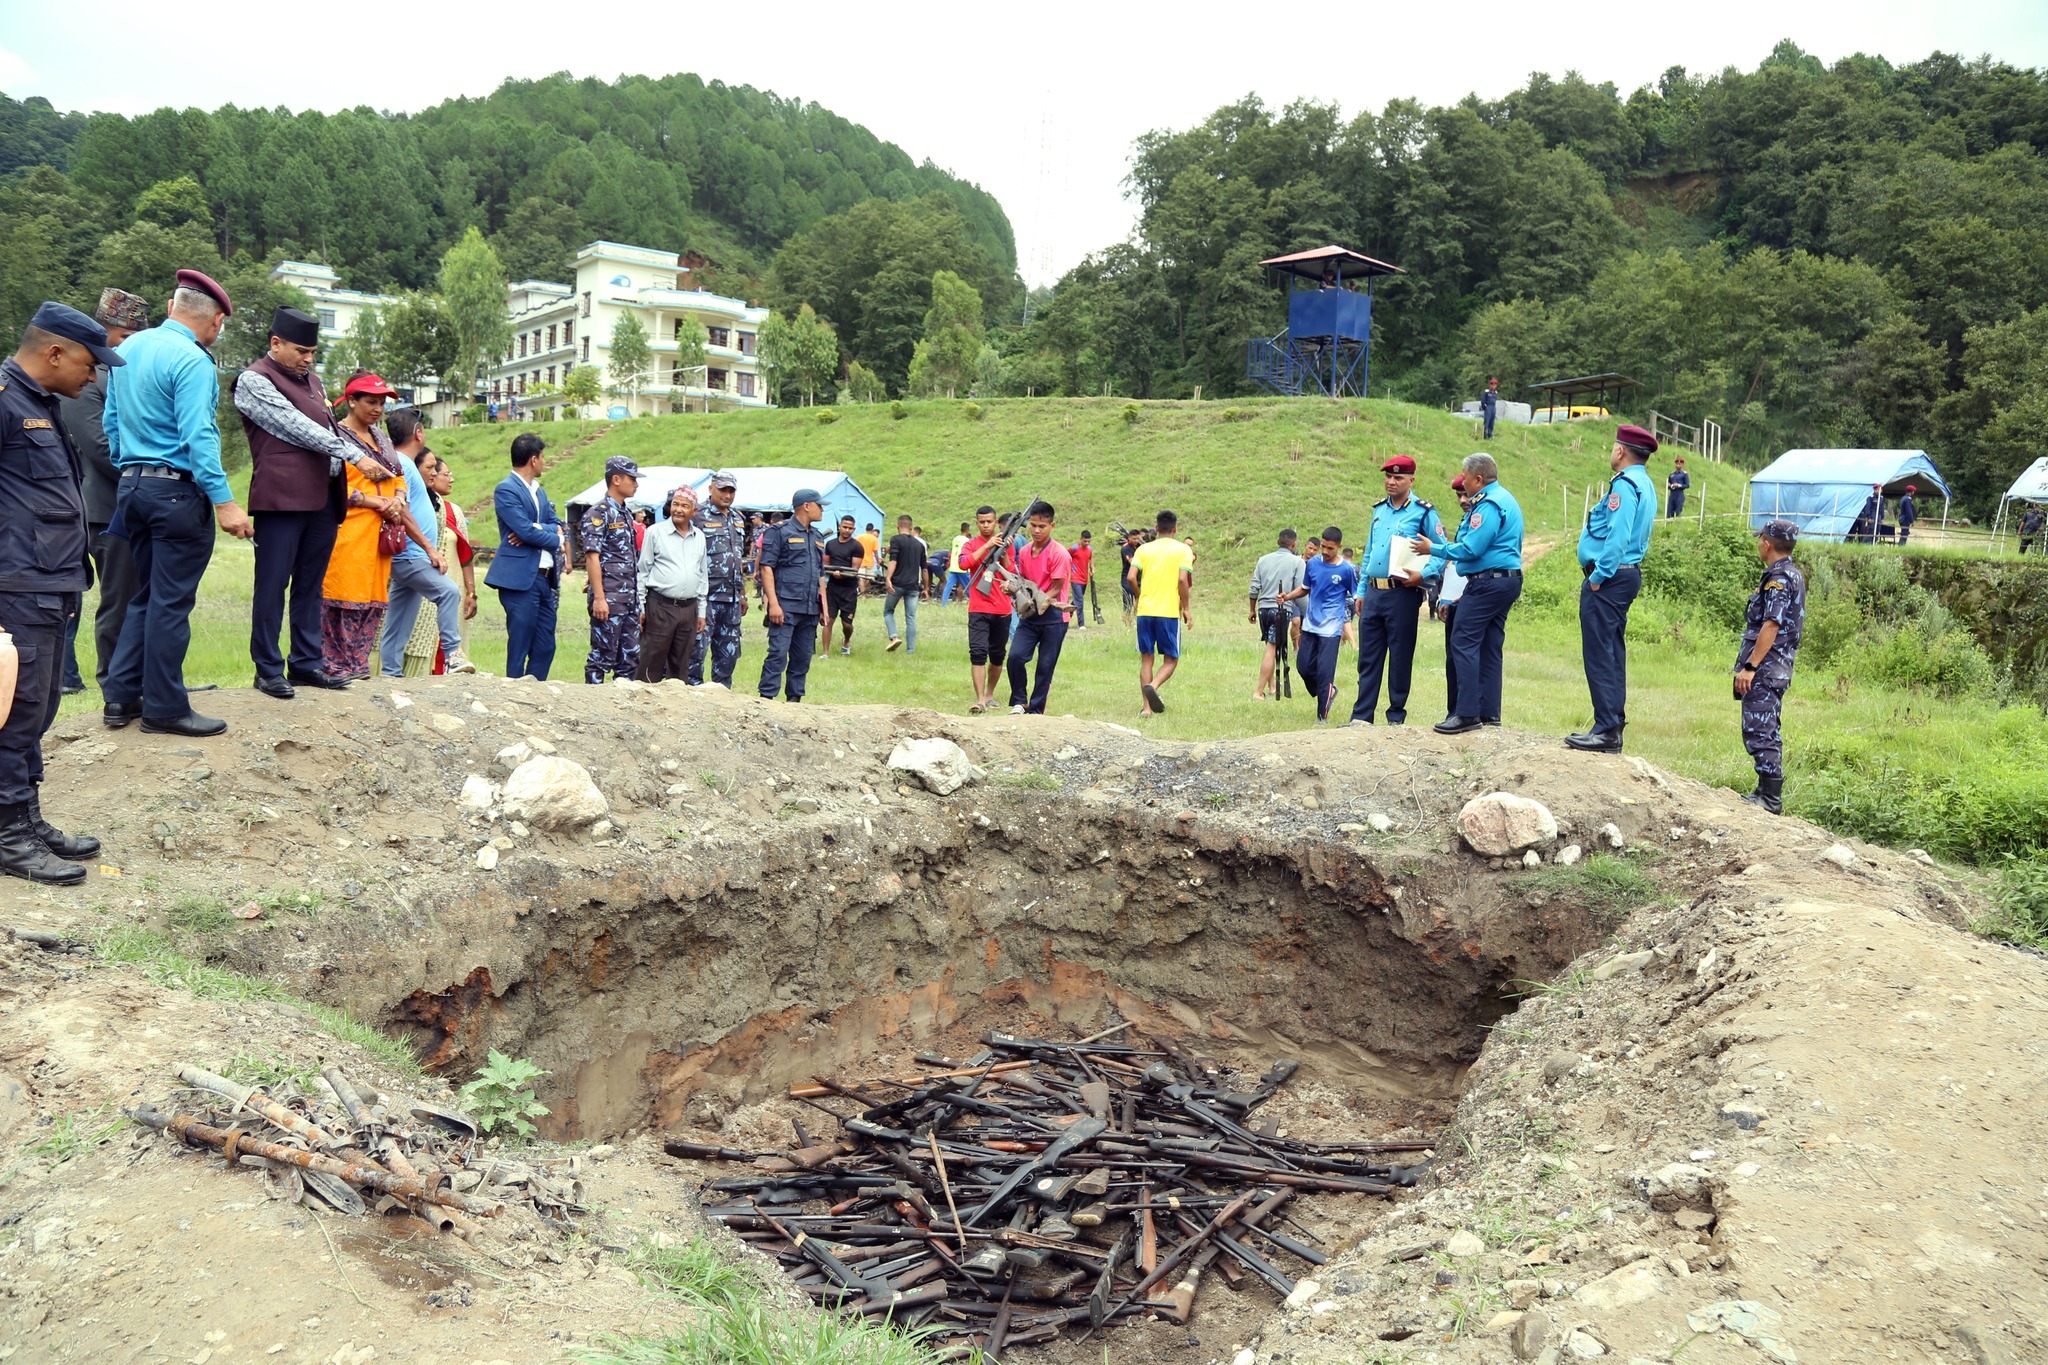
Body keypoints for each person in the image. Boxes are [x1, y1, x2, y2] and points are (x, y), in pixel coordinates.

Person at [101, 269, 255, 736]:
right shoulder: (193, 360)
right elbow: (199, 436)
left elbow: (111, 423)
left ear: (171, 308)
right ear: (216, 324)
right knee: (170, 602)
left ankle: (121, 697)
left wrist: (130, 467)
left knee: (146, 596)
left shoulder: (126, 349)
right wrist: (225, 502)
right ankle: (165, 708)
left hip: (132, 487)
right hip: (175, 492)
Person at [0, 302, 122, 882]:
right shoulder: (3, 400)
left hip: (52, 581)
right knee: (13, 712)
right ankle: (6, 836)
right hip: (16, 587)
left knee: (39, 708)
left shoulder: (41, 405)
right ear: (54, 352)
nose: (93, 375)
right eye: (89, 363)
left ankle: (25, 818)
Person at [235, 305, 370, 697]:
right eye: (300, 351)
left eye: (313, 352)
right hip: (282, 499)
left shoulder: (314, 381)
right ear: (275, 343)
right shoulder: (254, 380)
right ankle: (267, 668)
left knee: (311, 586)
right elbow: (296, 428)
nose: (308, 359)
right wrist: (354, 453)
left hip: (323, 497)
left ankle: (307, 664)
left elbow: (329, 426)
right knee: (272, 584)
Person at [58, 287, 148, 699]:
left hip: (137, 503)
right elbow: (99, 446)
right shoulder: (89, 380)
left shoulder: (125, 375)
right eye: (124, 337)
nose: (128, 347)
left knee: (141, 598)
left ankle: (145, 680)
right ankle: (115, 684)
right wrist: (149, 474)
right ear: (105, 330)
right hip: (105, 509)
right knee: (118, 600)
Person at [1413, 452, 1524, 734]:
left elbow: (1471, 548)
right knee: (1489, 645)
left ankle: (1466, 713)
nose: (1461, 481)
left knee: (1462, 640)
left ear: (1477, 479)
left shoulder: (1488, 505)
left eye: (1464, 476)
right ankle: (1488, 713)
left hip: (1490, 583)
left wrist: (1433, 548)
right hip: (1502, 581)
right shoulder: (1505, 498)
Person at [1566, 424, 1660, 753]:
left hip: (1610, 577)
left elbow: (1618, 536)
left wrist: (1598, 575)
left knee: (1599, 653)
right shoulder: (1645, 484)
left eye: (1613, 447)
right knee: (1612, 651)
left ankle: (1605, 728)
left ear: (1620, 451)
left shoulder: (1624, 485)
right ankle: (1613, 723)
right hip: (1625, 575)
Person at [321, 376, 422, 680]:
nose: (378, 408)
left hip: (380, 538)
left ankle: (358, 666)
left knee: (372, 601)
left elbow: (398, 476)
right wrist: (377, 502)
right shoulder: (334, 434)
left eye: (382, 402)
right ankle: (333, 667)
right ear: (351, 401)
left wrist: (399, 500)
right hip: (347, 533)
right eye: (371, 401)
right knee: (341, 599)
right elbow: (331, 486)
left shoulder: (381, 437)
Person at [1350, 455, 1443, 726]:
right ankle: (1361, 716)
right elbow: (1369, 552)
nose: (1391, 482)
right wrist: (1361, 590)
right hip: (1374, 592)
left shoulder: (1424, 512)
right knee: (1368, 657)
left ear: (1411, 480)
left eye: (1398, 477)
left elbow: (1440, 550)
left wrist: (1424, 574)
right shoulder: (1379, 510)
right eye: (1388, 477)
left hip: (1402, 592)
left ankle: (1395, 716)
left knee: (1400, 656)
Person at [378, 405, 465, 679]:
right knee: (448, 592)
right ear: (419, 433)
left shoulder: (402, 464)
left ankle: (391, 672)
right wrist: (429, 548)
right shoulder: (403, 464)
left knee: (399, 619)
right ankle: (452, 654)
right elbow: (401, 510)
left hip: (409, 555)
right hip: (411, 554)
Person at [1735, 520, 1807, 815]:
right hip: (1777, 667)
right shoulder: (1793, 575)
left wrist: (1751, 667)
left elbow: (1771, 624)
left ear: (1767, 543)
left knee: (1759, 729)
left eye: (1760, 539)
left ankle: (1770, 798)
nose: (1758, 544)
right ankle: (1765, 791)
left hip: (1765, 668)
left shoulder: (1778, 580)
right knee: (1766, 728)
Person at [484, 432, 565, 680]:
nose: (544, 462)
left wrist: (539, 529)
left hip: (544, 577)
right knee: (520, 641)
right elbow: (525, 530)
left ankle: (534, 690)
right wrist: (556, 538)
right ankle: (513, 689)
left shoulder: (539, 491)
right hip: (519, 579)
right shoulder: (506, 489)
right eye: (542, 457)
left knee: (546, 644)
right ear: (533, 459)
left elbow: (555, 524)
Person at [400, 450, 476, 676]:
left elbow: (465, 553)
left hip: (440, 578)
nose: (448, 478)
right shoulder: (410, 500)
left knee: (449, 597)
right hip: (416, 569)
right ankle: (392, 672)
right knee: (406, 631)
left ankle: (450, 659)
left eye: (439, 471)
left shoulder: (450, 510)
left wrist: (471, 593)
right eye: (443, 473)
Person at [757, 488, 828, 702]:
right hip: (786, 605)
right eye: (819, 505)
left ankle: (794, 702)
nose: (822, 509)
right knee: (778, 654)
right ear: (806, 506)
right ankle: (766, 699)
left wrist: (824, 608)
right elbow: (766, 567)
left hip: (809, 609)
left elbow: (820, 575)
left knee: (802, 658)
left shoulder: (817, 536)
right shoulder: (779, 532)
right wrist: (773, 605)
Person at [1282, 527, 1357, 724]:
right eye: (1323, 546)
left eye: (1329, 548)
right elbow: (1305, 588)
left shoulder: (1346, 570)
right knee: (1303, 667)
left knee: (1325, 672)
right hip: (1310, 625)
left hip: (1331, 630)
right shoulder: (1313, 563)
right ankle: (1328, 691)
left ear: (1338, 547)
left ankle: (1321, 717)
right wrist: (1288, 596)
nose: (1324, 551)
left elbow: (1356, 597)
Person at [577, 456, 642, 684]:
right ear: (616, 479)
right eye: (632, 479)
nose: (636, 484)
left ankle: (621, 708)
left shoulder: (625, 513)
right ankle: (595, 705)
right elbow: (592, 557)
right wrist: (600, 598)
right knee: (602, 656)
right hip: (610, 597)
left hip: (628, 598)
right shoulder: (598, 514)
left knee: (630, 657)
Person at [636, 485, 708, 683]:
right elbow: (643, 571)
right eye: (675, 504)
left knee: (681, 664)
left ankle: (675, 710)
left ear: (694, 511)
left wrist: (701, 611)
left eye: (685, 506)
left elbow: (702, 575)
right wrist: (641, 606)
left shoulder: (699, 537)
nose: (678, 509)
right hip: (660, 606)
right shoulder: (655, 532)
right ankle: (645, 705)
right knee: (651, 661)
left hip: (689, 609)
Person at [1005, 501, 1071, 714]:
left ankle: (1035, 710)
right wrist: (1015, 592)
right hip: (1030, 615)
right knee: (1015, 656)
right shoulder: (1024, 552)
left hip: (1053, 617)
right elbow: (1023, 581)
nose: (1036, 530)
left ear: (1052, 525)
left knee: (1045, 666)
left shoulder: (1059, 553)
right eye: (1033, 525)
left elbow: (1056, 587)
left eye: (1042, 526)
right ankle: (1019, 701)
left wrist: (1037, 602)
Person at [1128, 509, 1194, 716]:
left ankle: (1146, 709)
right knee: (1171, 659)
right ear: (1175, 529)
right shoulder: (1183, 550)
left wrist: (1139, 596)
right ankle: (1154, 686)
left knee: (1147, 658)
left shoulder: (1144, 550)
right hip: (1168, 612)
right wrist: (1186, 608)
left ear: (1156, 528)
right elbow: (1183, 580)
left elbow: (1131, 577)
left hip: (1146, 610)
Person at [689, 470, 749, 686]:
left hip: (731, 598)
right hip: (706, 597)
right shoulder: (697, 516)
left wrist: (742, 594)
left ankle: (722, 696)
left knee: (728, 654)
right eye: (723, 489)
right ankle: (692, 695)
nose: (727, 495)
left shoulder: (738, 518)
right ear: (711, 488)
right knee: (696, 651)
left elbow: (737, 558)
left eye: (731, 490)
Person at [1426, 475, 1478, 720]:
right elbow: (1455, 565)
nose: (1463, 500)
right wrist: (1446, 598)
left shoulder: (1482, 519)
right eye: (1458, 495)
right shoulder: (1466, 520)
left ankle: (1465, 712)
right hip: (1458, 596)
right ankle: (1453, 711)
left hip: (1475, 595)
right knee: (1452, 656)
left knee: (1465, 653)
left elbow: (1469, 556)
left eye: (1465, 494)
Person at [958, 505, 1014, 714]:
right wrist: (988, 545)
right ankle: (980, 699)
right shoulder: (971, 544)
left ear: (996, 521)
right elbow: (964, 564)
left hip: (1002, 608)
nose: (986, 525)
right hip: (978, 608)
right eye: (982, 522)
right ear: (977, 523)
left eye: (989, 521)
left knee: (998, 655)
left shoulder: (1006, 544)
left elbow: (1011, 572)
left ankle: (990, 694)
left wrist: (1004, 551)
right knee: (978, 653)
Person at [1249, 529, 1303, 701]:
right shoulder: (1297, 561)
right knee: (1272, 650)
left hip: (1263, 608)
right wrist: (1306, 613)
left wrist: (1252, 609)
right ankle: (1258, 691)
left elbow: (1254, 587)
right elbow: (1300, 590)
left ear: (1277, 541)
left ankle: (1272, 687)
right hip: (1281, 609)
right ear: (1293, 545)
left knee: (1269, 647)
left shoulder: (1263, 560)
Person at [883, 513, 927, 653]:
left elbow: (893, 560)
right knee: (911, 618)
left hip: (897, 584)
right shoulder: (919, 545)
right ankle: (910, 650)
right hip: (913, 586)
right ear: (911, 527)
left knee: (888, 611)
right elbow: (924, 569)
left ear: (897, 526)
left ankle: (894, 637)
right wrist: (926, 588)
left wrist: (888, 578)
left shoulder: (895, 540)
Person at [823, 514, 864, 654]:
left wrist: (841, 574)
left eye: (850, 528)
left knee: (847, 624)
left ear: (854, 529)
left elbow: (854, 570)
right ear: (839, 527)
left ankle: (846, 640)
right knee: (828, 621)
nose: (847, 530)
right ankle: (825, 653)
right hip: (832, 588)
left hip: (849, 589)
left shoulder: (857, 546)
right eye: (845, 527)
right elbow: (826, 565)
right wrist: (832, 573)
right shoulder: (830, 544)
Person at [1068, 529, 1100, 629]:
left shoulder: (1089, 549)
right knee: (1080, 601)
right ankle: (1081, 624)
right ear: (1081, 539)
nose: (1087, 543)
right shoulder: (1074, 548)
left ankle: (1067, 614)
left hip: (1084, 578)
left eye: (1089, 541)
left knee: (1077, 600)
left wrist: (1092, 567)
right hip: (1075, 578)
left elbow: (1090, 558)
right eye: (1085, 541)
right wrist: (1070, 570)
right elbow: (1065, 557)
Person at [941, 522, 972, 605]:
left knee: (948, 586)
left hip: (953, 566)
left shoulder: (955, 539)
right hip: (962, 567)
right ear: (968, 530)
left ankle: (943, 603)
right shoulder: (967, 540)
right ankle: (974, 602)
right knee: (969, 586)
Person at [1119, 526, 1144, 623]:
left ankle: (1137, 619)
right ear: (1128, 538)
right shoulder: (1125, 548)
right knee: (1128, 602)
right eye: (1134, 539)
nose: (1136, 540)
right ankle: (1126, 621)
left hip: (1139, 577)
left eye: (1138, 538)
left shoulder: (1139, 546)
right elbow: (1131, 561)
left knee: (1139, 599)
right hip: (1127, 578)